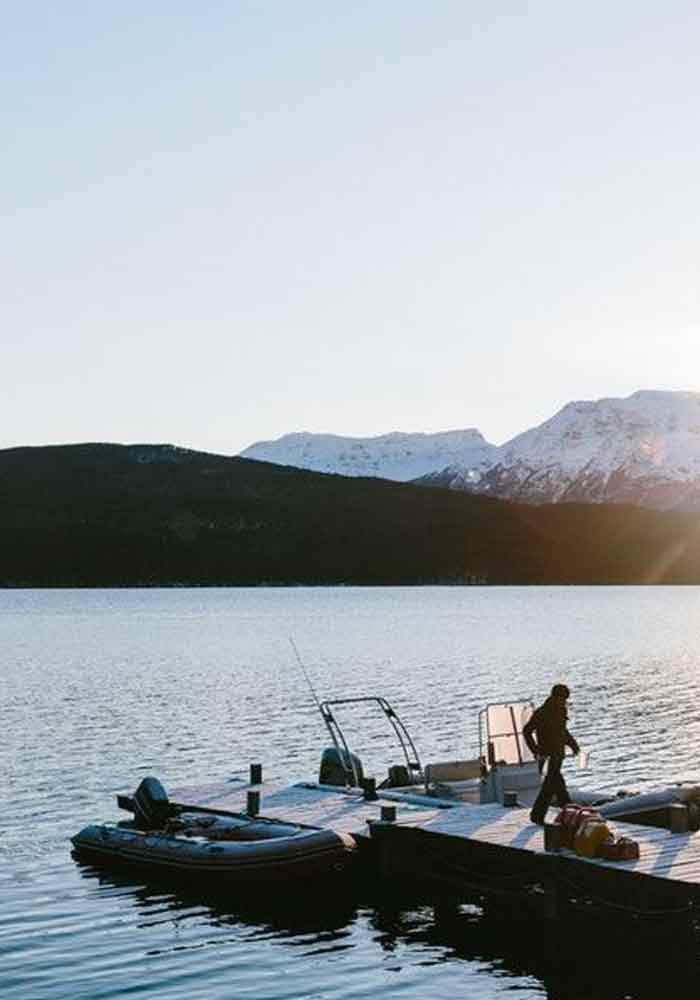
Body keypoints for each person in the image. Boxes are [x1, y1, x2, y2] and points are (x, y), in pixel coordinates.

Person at [523, 683, 579, 825]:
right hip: (546, 754)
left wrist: (573, 744)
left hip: (558, 753)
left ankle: (567, 809)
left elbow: (563, 730)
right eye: (562, 699)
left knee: (556, 783)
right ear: (554, 696)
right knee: (550, 784)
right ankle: (538, 815)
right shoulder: (542, 712)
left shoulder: (561, 710)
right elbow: (527, 731)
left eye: (565, 699)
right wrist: (535, 750)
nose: (564, 701)